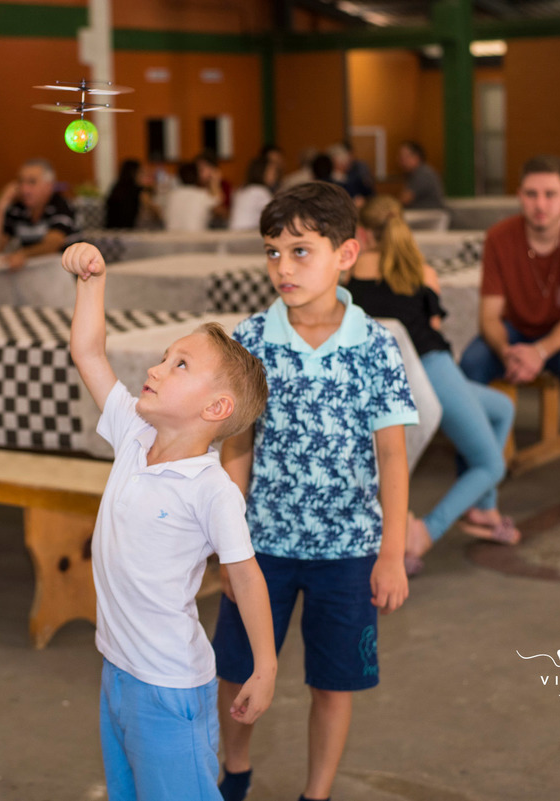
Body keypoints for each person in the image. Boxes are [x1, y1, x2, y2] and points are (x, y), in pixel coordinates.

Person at [211, 181, 414, 801]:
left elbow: (393, 457)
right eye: (273, 252)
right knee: (238, 671)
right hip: (261, 547)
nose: (283, 267)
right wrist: (227, 539)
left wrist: (391, 552)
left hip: (350, 551)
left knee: (334, 682)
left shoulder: (377, 345)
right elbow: (237, 445)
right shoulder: (251, 339)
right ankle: (235, 773)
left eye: (301, 251)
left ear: (346, 255)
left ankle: (316, 794)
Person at [60, 241, 277, 801]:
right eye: (164, 356)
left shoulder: (212, 491)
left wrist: (266, 665)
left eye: (180, 365)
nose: (156, 368)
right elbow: (88, 353)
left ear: (216, 410)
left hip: (169, 688)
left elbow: (247, 577)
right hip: (117, 669)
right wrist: (91, 281)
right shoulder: (135, 433)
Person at [348, 197, 518, 576]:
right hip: (430, 367)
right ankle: (426, 531)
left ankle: (484, 509)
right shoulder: (421, 272)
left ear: (361, 233)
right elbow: (433, 333)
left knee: (502, 408)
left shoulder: (349, 272)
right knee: (491, 463)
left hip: (385, 377)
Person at [460, 155, 560, 518]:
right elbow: (489, 316)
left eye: (550, 194)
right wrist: (509, 352)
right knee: (472, 361)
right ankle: (470, 479)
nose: (541, 204)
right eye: (531, 194)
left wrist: (539, 352)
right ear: (519, 196)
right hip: (513, 332)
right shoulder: (499, 237)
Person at [0, 158, 79, 270]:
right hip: (38, 276)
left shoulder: (61, 206)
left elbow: (53, 244)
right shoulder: (18, 209)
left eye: (32, 182)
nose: (24, 189)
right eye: (20, 182)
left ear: (48, 186)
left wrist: (23, 255)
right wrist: (1, 205)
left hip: (69, 276)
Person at [163, 161, 220, 232]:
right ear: (197, 176)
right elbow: (218, 200)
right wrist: (215, 180)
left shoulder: (171, 195)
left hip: (169, 240)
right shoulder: (202, 195)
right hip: (196, 240)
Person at [104, 158, 160, 229]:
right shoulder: (139, 191)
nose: (142, 176)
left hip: (110, 230)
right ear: (134, 173)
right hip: (128, 232)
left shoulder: (116, 188)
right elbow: (155, 213)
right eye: (141, 172)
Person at [227, 156, 277, 232]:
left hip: (233, 233)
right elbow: (274, 216)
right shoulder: (261, 191)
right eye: (271, 172)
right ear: (262, 172)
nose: (275, 175)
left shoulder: (242, 190)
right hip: (248, 235)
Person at [397, 140, 445, 210]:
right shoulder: (414, 173)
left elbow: (404, 199)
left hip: (430, 215)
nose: (401, 161)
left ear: (416, 157)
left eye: (404, 157)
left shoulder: (423, 174)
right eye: (400, 157)